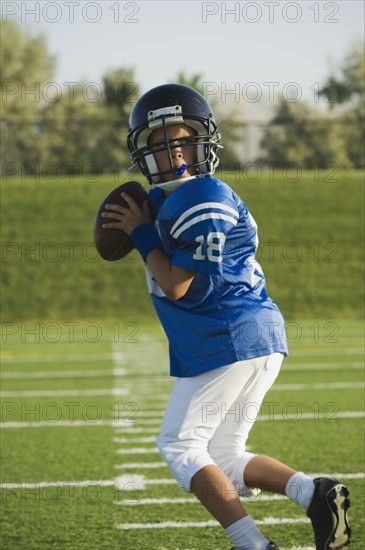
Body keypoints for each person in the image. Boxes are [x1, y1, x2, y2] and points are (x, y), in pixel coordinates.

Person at [101, 84, 351, 550]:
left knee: (180, 445)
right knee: (223, 453)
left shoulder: (202, 196)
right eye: (157, 143)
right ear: (142, 152)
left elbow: (177, 282)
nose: (170, 152)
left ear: (203, 142)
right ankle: (314, 494)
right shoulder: (181, 198)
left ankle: (252, 544)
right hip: (251, 336)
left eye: (179, 139)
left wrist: (140, 234)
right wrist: (140, 220)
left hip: (227, 336)